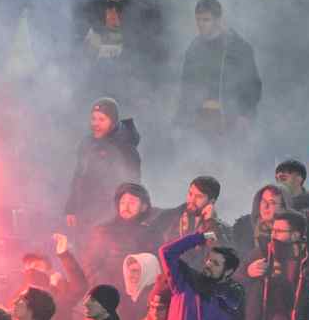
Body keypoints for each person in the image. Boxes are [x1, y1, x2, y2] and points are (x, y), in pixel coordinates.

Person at [176, 0, 262, 142]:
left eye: (206, 20)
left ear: (218, 20)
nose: (201, 25)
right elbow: (187, 86)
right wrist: (180, 120)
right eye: (198, 20)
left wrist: (245, 115)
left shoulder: (238, 47)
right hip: (200, 121)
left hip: (231, 119)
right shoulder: (194, 48)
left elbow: (253, 85)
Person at [64, 98, 142, 231]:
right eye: (93, 119)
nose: (96, 124)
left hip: (111, 214)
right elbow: (78, 176)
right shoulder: (88, 143)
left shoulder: (125, 146)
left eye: (101, 119)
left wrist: (128, 214)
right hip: (86, 212)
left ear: (113, 121)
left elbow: (133, 184)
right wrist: (71, 208)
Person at [84, 182, 161, 289]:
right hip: (107, 294)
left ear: (144, 207)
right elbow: (90, 267)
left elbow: (156, 268)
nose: (126, 207)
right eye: (122, 202)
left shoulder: (152, 234)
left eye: (132, 203)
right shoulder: (104, 231)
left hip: (140, 296)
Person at [156, 175, 230, 259]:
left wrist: (210, 222)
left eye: (199, 197)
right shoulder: (167, 217)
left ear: (211, 201)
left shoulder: (217, 228)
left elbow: (216, 253)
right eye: (190, 194)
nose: (191, 200)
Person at [231, 184, 287, 257]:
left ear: (282, 208)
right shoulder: (242, 226)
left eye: (272, 202)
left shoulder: (290, 230)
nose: (266, 206)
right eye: (263, 201)